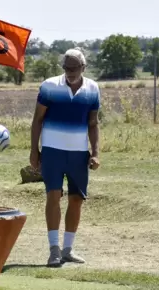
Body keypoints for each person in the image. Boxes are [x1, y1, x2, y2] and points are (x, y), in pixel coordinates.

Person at [29, 47, 100, 267]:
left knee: (76, 199)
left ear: (83, 67)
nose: (69, 72)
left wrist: (95, 152)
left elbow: (93, 123)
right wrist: (34, 150)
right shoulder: (49, 86)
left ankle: (68, 249)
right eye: (66, 67)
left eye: (74, 68)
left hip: (79, 154)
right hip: (52, 151)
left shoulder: (92, 89)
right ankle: (53, 250)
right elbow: (37, 119)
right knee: (53, 195)